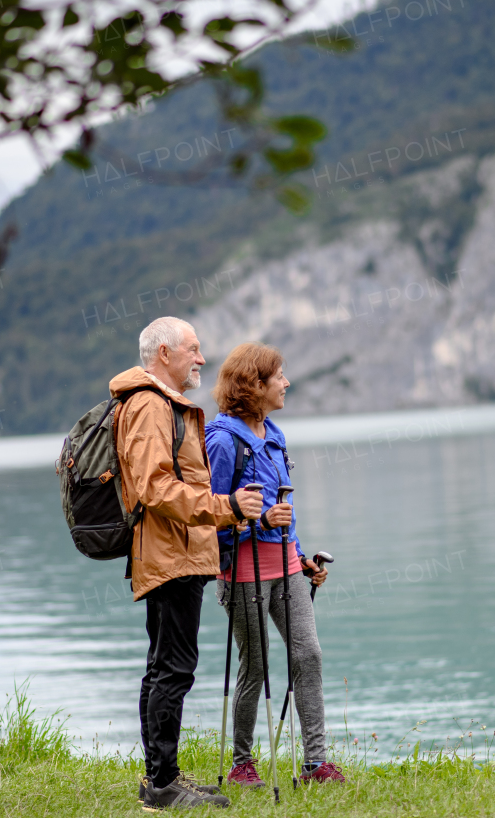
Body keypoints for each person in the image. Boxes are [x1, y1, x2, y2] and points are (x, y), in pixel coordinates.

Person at [112, 317, 264, 810]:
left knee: (164, 667)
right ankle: (162, 787)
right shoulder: (150, 406)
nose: (201, 359)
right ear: (163, 353)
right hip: (169, 555)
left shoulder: (161, 404)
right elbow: (154, 488)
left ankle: (162, 777)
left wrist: (223, 516)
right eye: (193, 350)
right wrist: (226, 508)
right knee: (173, 669)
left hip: (178, 551)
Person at [205, 342, 347, 786]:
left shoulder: (276, 435)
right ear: (255, 384)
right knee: (258, 665)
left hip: (285, 568)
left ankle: (315, 765)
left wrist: (302, 558)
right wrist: (256, 520)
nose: (286, 383)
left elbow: (285, 510)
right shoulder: (223, 441)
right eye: (279, 377)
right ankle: (241, 765)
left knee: (309, 655)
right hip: (242, 570)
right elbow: (208, 517)